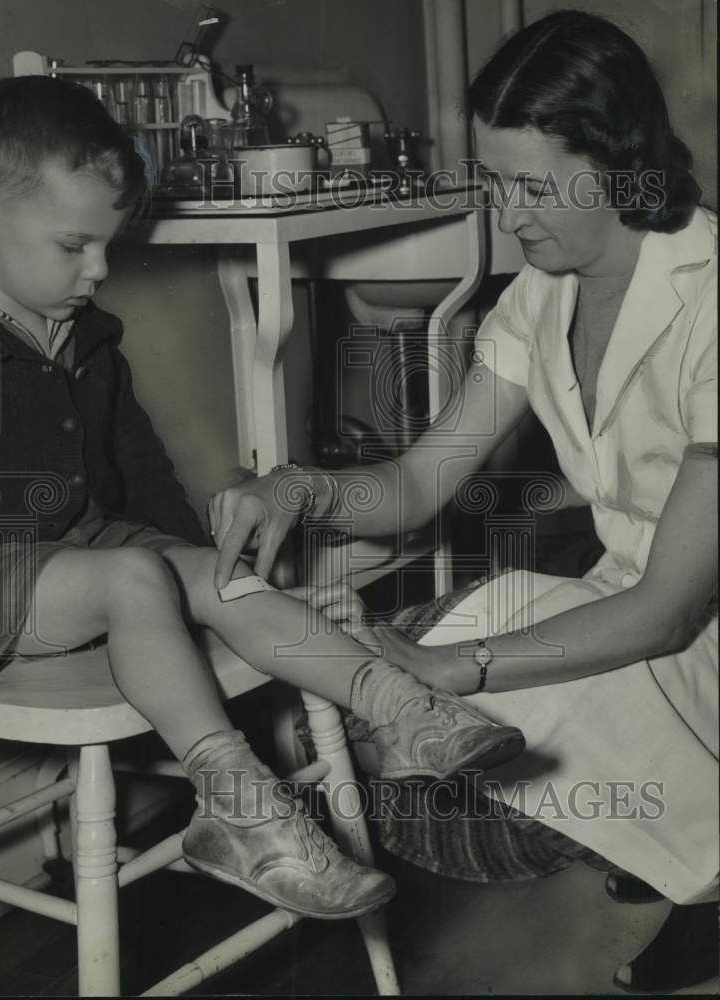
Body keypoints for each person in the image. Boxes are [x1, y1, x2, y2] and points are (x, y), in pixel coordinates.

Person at [0, 75, 527, 922]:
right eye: (74, 246)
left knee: (207, 572)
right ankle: (237, 804)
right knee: (136, 576)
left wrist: (205, 575)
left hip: (83, 550)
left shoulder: (83, 330)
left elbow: (136, 465)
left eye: (107, 246)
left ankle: (398, 706)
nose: (98, 272)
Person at [209, 10, 718, 991]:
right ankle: (673, 876)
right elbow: (414, 484)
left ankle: (687, 872)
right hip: (631, 605)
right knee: (392, 716)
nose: (508, 213)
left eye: (532, 185)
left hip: (688, 620)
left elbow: (668, 610)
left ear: (619, 165)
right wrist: (300, 485)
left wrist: (457, 665)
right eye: (495, 181)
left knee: (444, 700)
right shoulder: (542, 294)